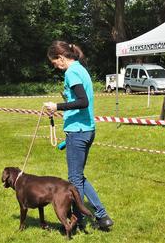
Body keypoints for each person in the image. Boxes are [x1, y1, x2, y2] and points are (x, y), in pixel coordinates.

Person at [44, 40, 113, 230]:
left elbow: (82, 101)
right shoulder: (81, 69)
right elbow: (79, 100)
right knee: (79, 177)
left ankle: (77, 221)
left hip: (78, 131)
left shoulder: (71, 72)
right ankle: (101, 215)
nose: (56, 67)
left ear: (61, 57)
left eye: (55, 63)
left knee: (74, 180)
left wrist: (57, 106)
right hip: (87, 130)